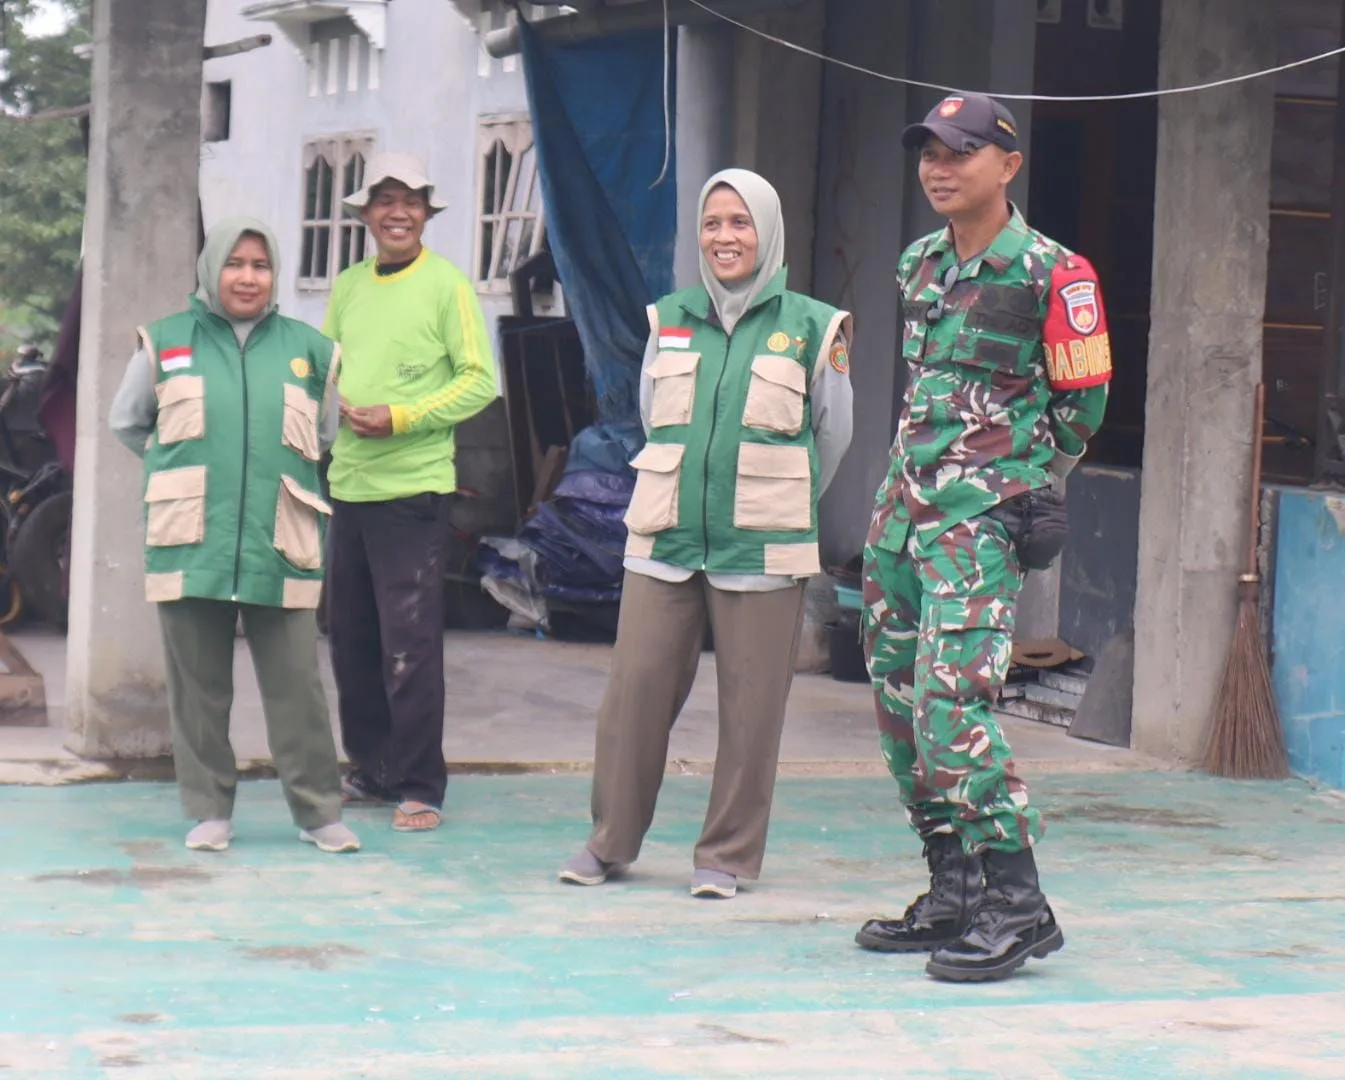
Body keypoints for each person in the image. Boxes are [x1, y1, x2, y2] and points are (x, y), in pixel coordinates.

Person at [855, 93, 1109, 981]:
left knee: (950, 705)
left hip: (978, 524)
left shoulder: (1054, 273)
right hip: (902, 516)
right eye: (929, 151)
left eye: (959, 152)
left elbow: (1084, 403)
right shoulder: (918, 263)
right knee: (897, 703)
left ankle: (1016, 900)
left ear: (1007, 165)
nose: (939, 167)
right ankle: (954, 886)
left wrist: (1026, 482)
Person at [558, 168, 854, 899]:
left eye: (740, 223)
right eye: (713, 223)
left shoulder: (814, 327)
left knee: (752, 710)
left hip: (762, 544)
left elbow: (832, 435)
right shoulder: (669, 319)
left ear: (767, 232)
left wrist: (771, 498)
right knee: (633, 696)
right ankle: (609, 841)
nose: (725, 237)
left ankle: (725, 856)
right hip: (665, 538)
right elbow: (651, 414)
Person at [109, 217, 358, 855]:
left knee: (297, 686)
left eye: (260, 265)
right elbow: (129, 423)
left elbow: (324, 436)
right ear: (210, 268)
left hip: (283, 537)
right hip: (192, 536)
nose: (248, 278)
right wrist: (181, 470)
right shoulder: (165, 341)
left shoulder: (311, 350)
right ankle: (209, 809)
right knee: (198, 688)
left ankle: (318, 812)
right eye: (235, 264)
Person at [322, 153, 497, 833]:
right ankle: (371, 769)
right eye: (385, 201)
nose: (398, 213)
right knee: (352, 638)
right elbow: (326, 370)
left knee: (409, 644)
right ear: (366, 214)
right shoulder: (348, 286)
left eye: (411, 201)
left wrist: (400, 416)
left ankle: (421, 783)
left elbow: (480, 381)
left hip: (413, 490)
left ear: (425, 213)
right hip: (349, 484)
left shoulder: (447, 285)